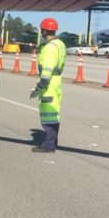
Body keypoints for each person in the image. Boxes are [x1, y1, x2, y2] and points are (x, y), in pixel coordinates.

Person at [30, 17, 66, 152]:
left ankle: (48, 145)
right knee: (54, 113)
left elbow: (47, 68)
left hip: (49, 83)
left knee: (48, 112)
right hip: (56, 81)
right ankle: (52, 141)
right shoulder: (59, 44)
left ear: (44, 31)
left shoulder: (50, 48)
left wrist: (40, 85)